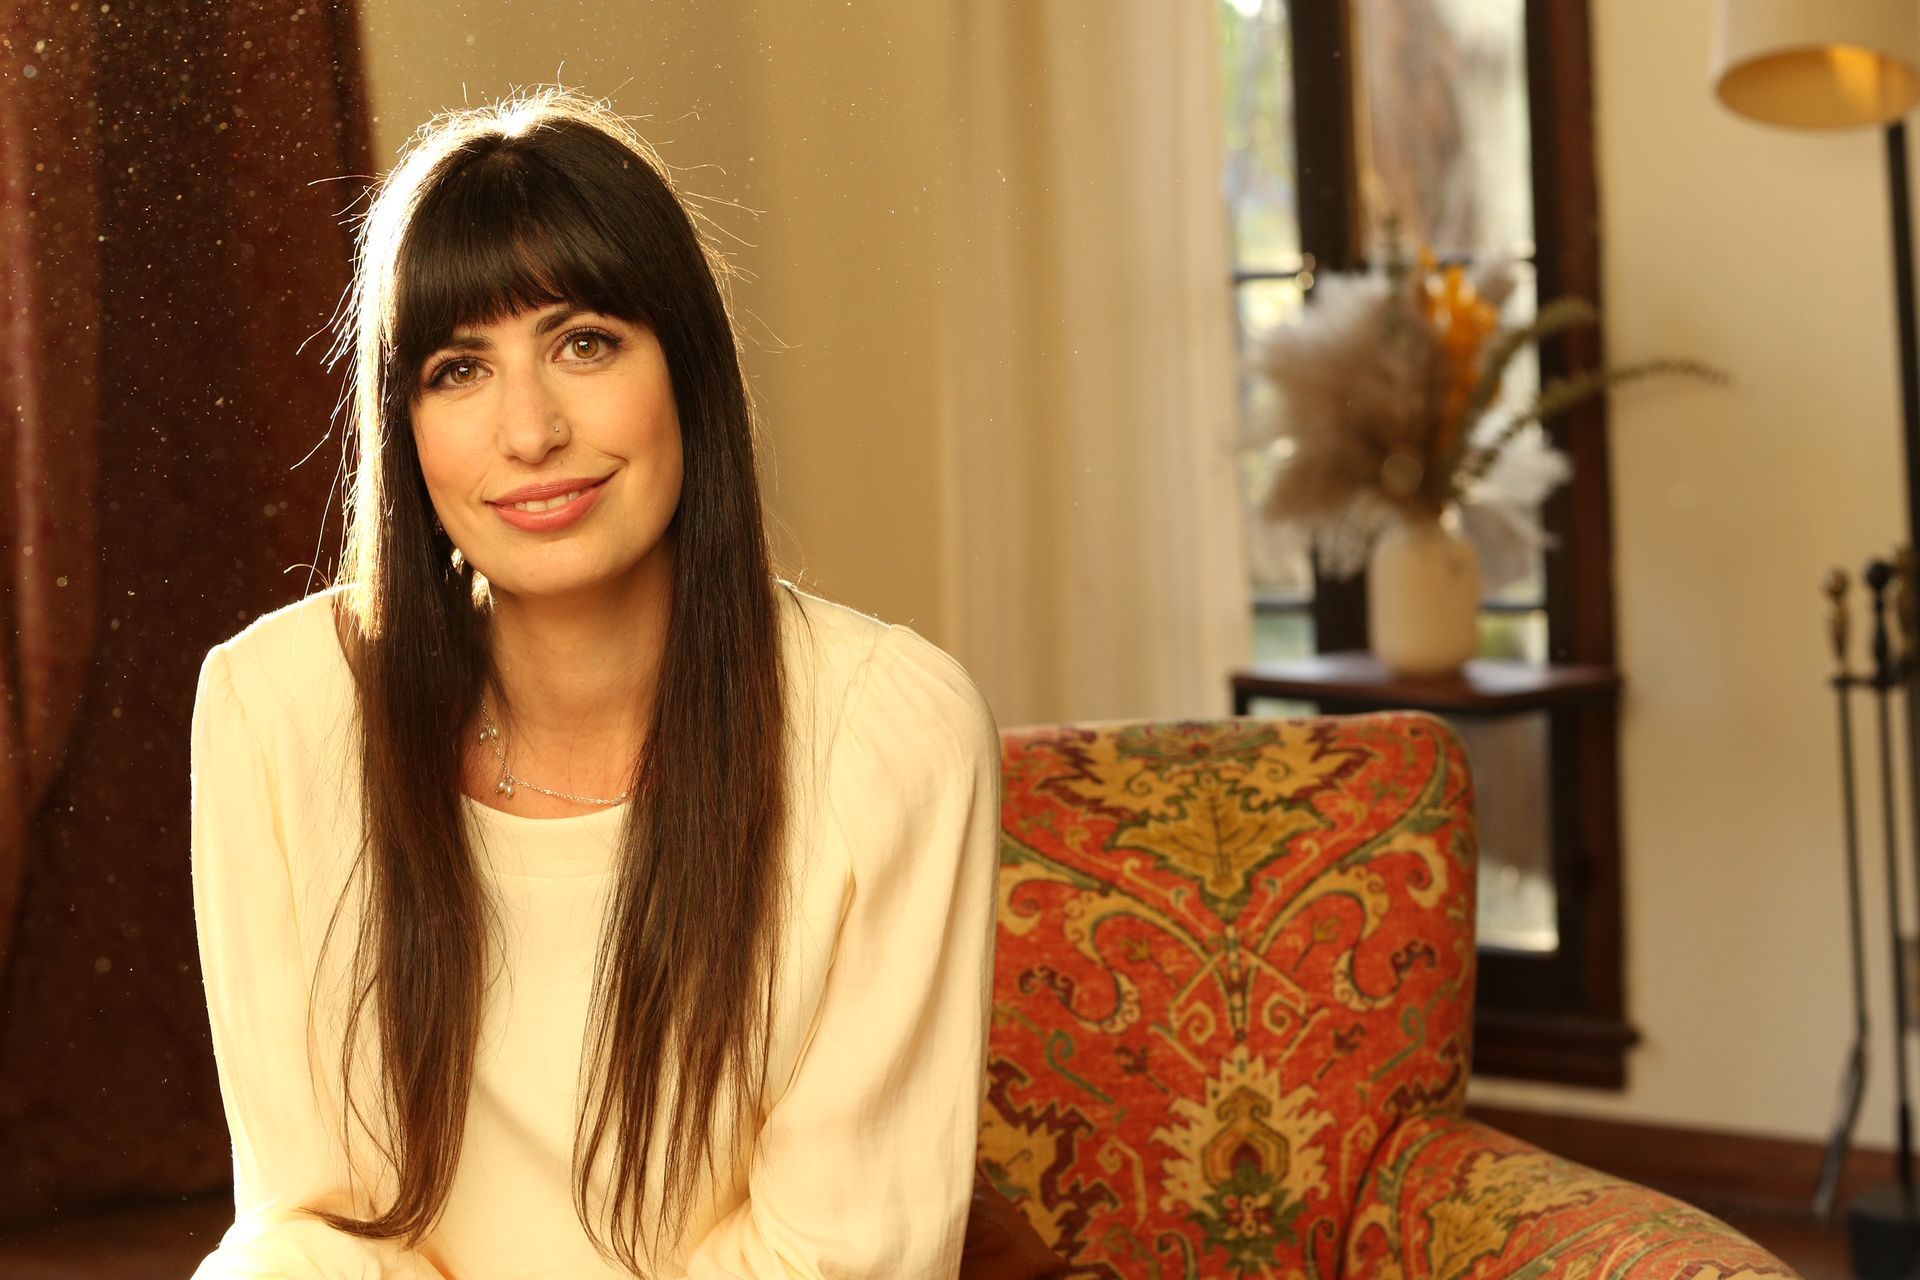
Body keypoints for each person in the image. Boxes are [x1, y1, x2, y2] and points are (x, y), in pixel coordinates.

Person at [187, 86, 1002, 1279]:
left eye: (584, 342)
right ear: (404, 426)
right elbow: (308, 1226)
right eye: (459, 368)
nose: (528, 431)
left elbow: (840, 1253)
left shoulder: (890, 734)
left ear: (689, 369)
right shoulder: (277, 709)